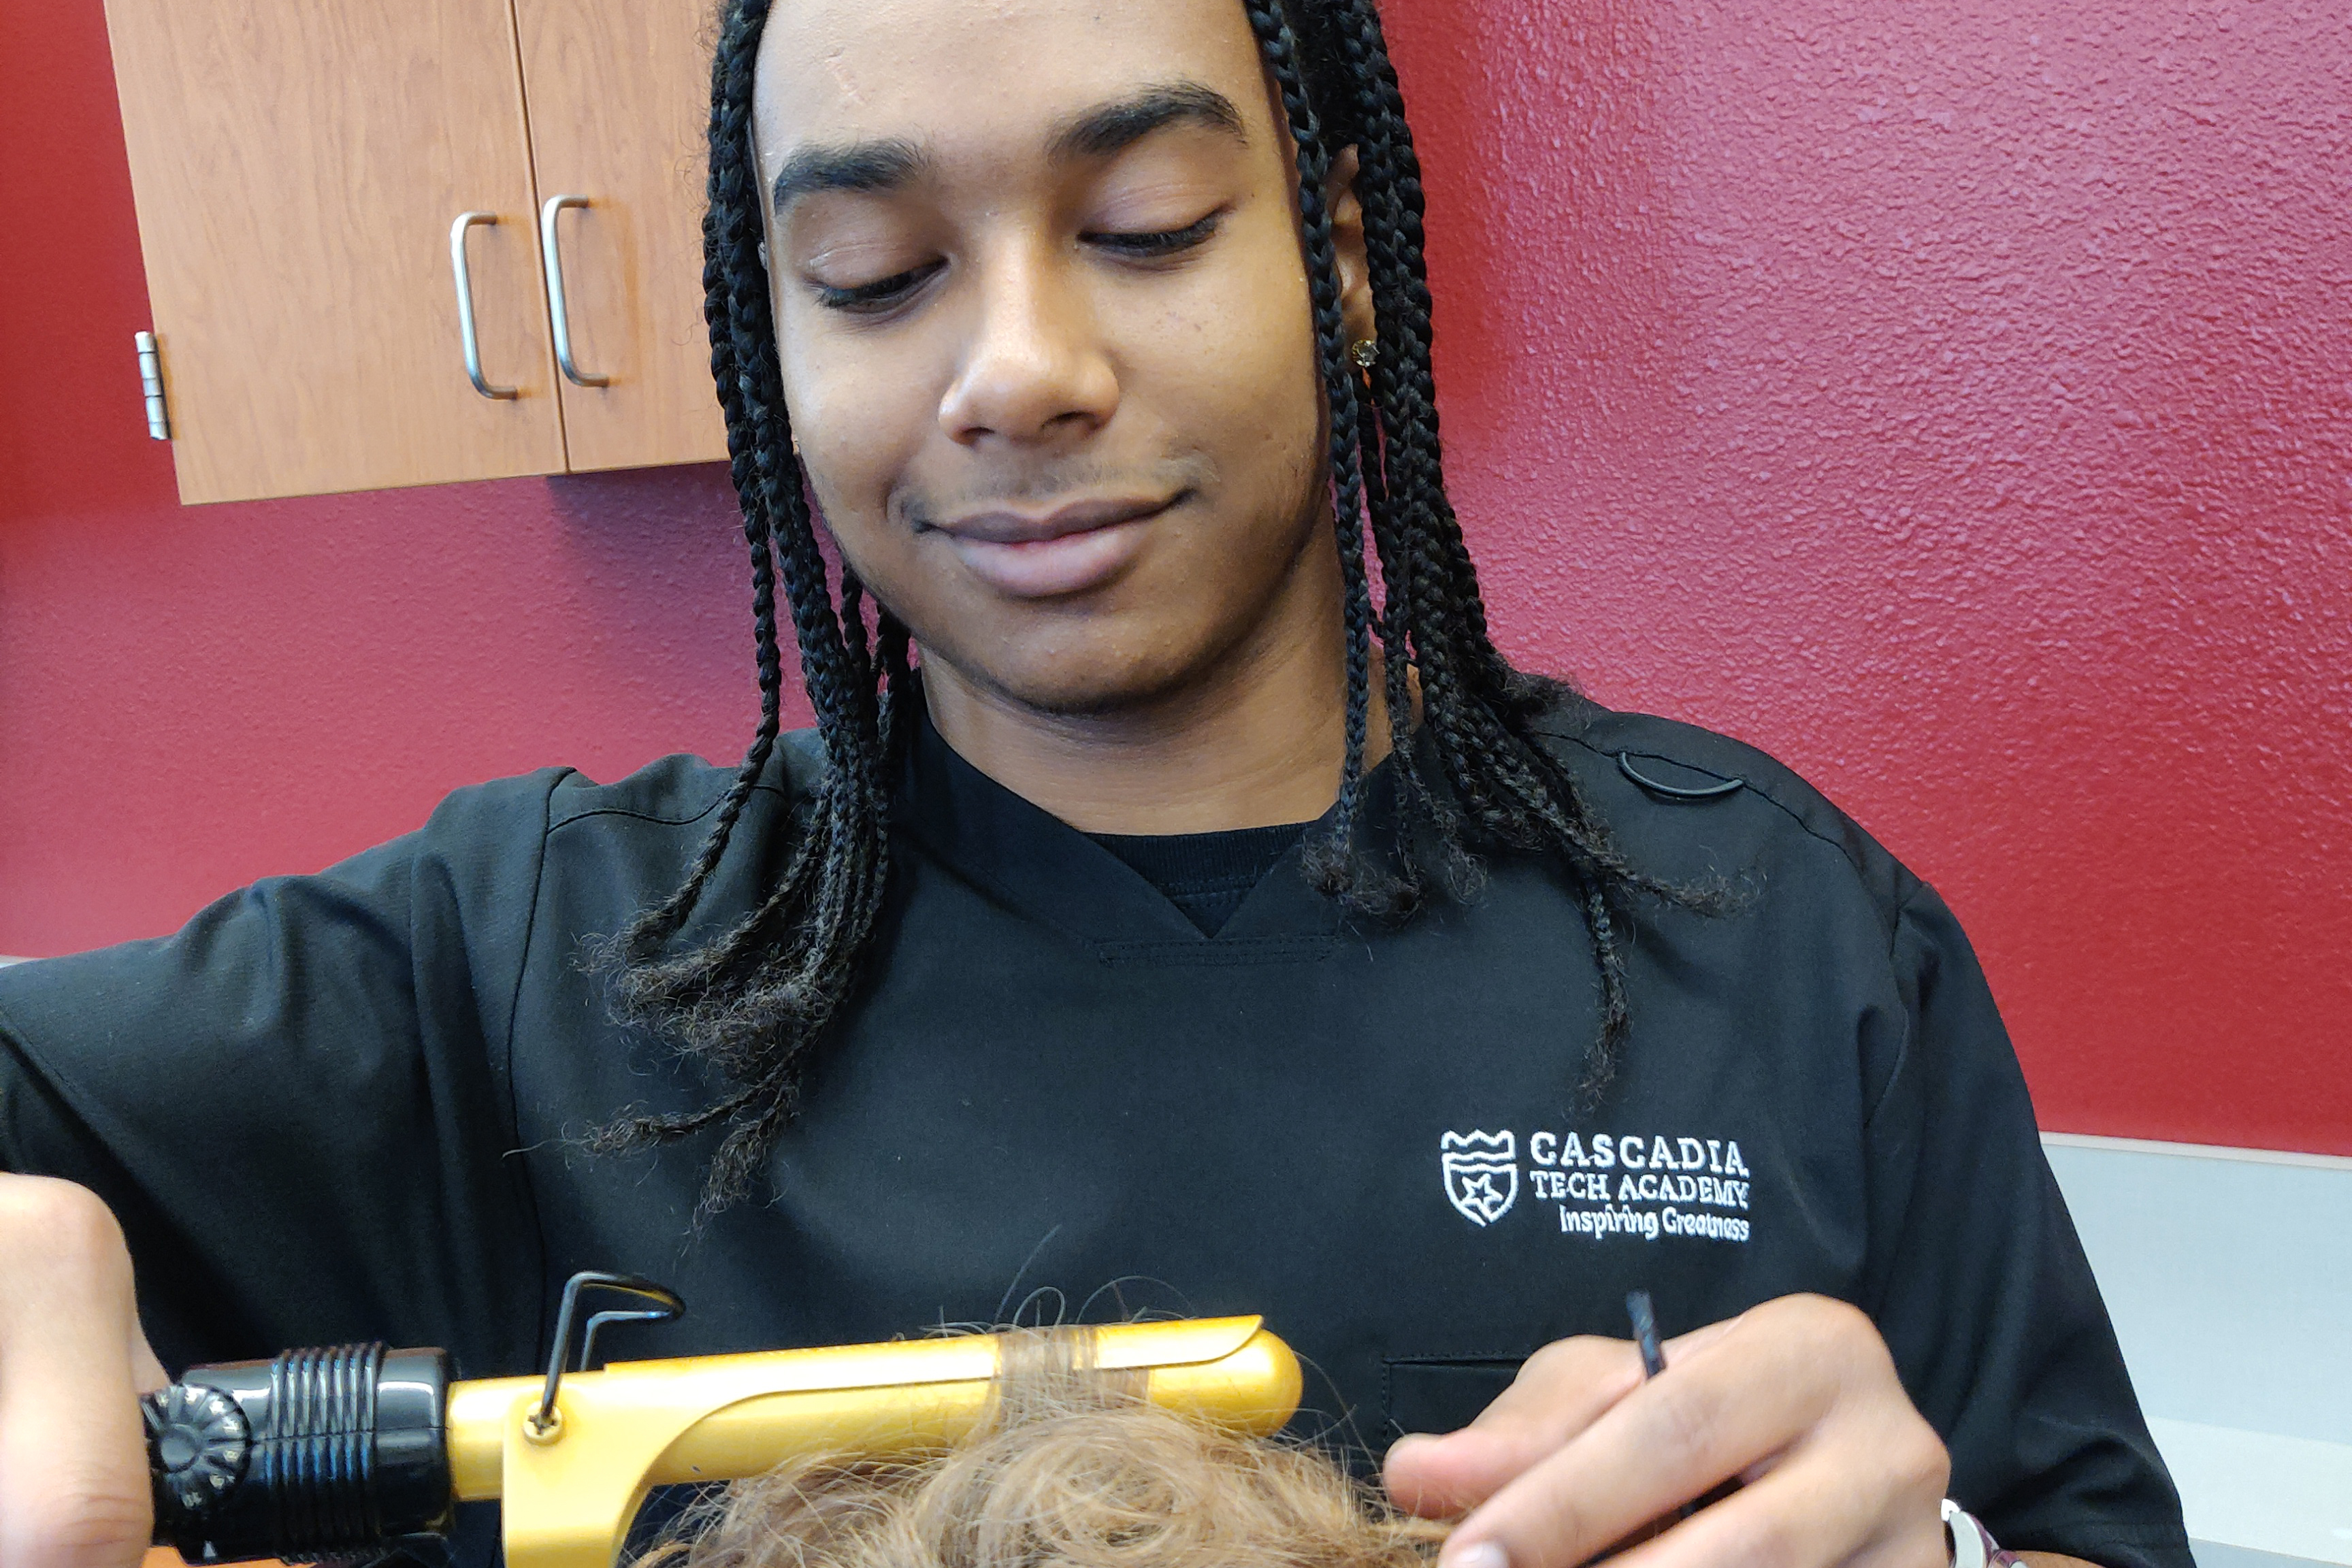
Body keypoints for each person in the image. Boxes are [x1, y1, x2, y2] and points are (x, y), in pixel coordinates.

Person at [0, 1, 2189, 1567]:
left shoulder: (1789, 946)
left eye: (1142, 224)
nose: (1019, 370)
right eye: (873, 274)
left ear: (1335, 254)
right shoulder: (520, 969)